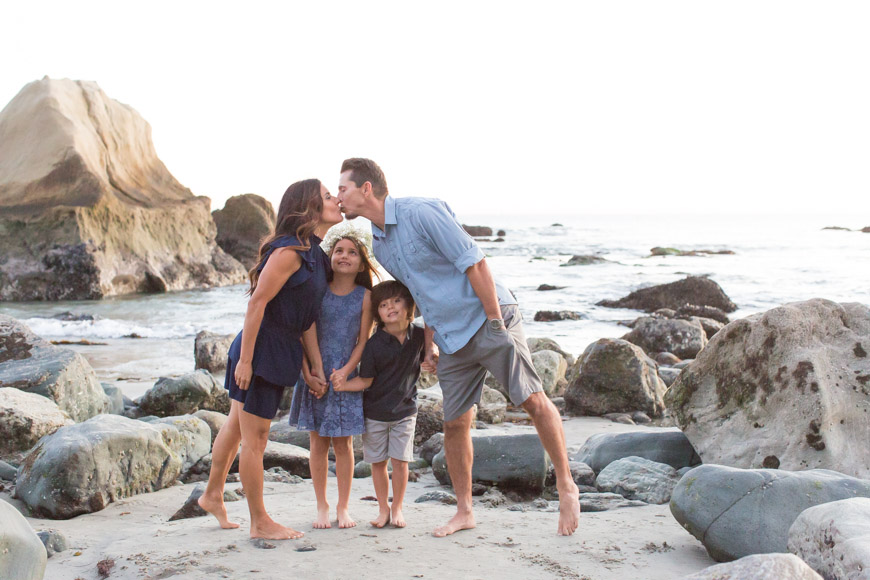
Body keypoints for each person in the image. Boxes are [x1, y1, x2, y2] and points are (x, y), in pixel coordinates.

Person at [336, 158, 581, 537]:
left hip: (489, 319)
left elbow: (475, 262)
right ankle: (465, 511)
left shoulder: (422, 212)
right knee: (454, 423)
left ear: (366, 189)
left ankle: (566, 485)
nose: (338, 197)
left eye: (343, 189)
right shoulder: (380, 246)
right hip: (451, 337)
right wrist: (429, 344)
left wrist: (496, 323)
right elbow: (423, 294)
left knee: (531, 399)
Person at [197, 178, 342, 540]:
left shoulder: (318, 257)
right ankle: (259, 522)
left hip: (280, 349)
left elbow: (305, 317)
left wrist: (314, 368)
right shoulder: (290, 252)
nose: (337, 199)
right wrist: (246, 361)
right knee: (256, 440)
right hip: (259, 350)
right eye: (328, 196)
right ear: (310, 208)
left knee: (236, 425)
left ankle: (212, 495)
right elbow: (257, 302)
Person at [287, 230, 376, 529]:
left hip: (345, 378)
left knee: (344, 445)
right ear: (330, 256)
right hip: (315, 374)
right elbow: (302, 331)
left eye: (352, 252)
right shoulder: (318, 290)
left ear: (362, 264)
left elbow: (363, 340)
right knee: (318, 443)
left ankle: (343, 506)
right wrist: (311, 371)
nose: (344, 256)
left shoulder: (365, 297)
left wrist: (347, 370)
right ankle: (322, 505)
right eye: (339, 250)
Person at [333, 281, 423, 529]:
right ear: (378, 314)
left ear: (409, 305)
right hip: (375, 413)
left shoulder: (419, 336)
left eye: (396, 301)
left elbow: (433, 350)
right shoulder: (373, 345)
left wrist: (434, 357)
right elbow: (365, 380)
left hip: (406, 411)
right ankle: (383, 508)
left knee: (401, 462)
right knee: (379, 463)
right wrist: (342, 385)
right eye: (383, 305)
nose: (390, 307)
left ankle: (398, 508)